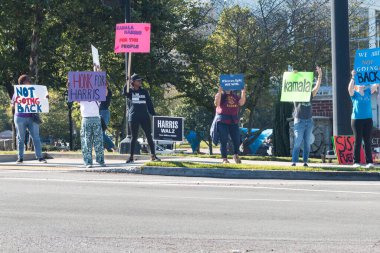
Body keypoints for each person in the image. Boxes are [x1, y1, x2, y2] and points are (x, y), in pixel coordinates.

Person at [123, 73, 160, 163]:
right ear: (133, 82)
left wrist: (153, 114)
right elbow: (124, 92)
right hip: (134, 117)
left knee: (149, 135)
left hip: (144, 116)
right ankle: (131, 157)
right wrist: (127, 82)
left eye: (140, 80)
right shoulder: (130, 92)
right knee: (134, 137)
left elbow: (149, 103)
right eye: (138, 80)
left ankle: (153, 155)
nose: (140, 82)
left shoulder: (144, 91)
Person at [11, 74, 46, 164]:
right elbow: (12, 105)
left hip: (32, 117)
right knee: (20, 138)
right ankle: (20, 158)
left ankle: (40, 157)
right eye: (27, 81)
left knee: (36, 137)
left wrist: (45, 99)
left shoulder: (34, 91)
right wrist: (15, 104)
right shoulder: (17, 92)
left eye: (30, 80)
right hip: (19, 118)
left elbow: (40, 101)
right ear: (22, 83)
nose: (29, 82)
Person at [291, 66, 322, 167]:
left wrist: (320, 75)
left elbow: (317, 87)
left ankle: (305, 162)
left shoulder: (309, 94)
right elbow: (291, 85)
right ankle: (294, 161)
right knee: (298, 141)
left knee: (307, 143)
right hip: (299, 120)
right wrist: (293, 75)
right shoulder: (296, 94)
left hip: (309, 121)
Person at [348, 70, 378, 169]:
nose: (362, 84)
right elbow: (349, 89)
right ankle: (356, 162)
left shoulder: (368, 92)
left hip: (368, 119)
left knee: (367, 140)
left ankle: (369, 162)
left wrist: (377, 73)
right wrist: (353, 77)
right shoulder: (355, 94)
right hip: (356, 119)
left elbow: (376, 83)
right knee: (358, 140)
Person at [212, 86, 246, 164]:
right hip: (222, 120)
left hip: (233, 120)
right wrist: (219, 92)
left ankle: (236, 155)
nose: (229, 88)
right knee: (224, 140)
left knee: (237, 139)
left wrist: (243, 92)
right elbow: (217, 103)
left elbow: (241, 102)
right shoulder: (220, 95)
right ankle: (224, 159)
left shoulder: (235, 96)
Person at [79, 101, 105, 168]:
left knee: (98, 141)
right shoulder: (81, 94)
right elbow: (74, 96)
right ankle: (88, 162)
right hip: (85, 118)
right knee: (86, 142)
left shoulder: (97, 93)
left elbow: (105, 93)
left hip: (96, 118)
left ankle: (100, 160)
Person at [99, 82, 116, 152]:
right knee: (100, 132)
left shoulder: (108, 91)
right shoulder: (99, 90)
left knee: (101, 132)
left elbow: (104, 94)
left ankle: (113, 146)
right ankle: (107, 147)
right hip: (98, 112)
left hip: (104, 112)